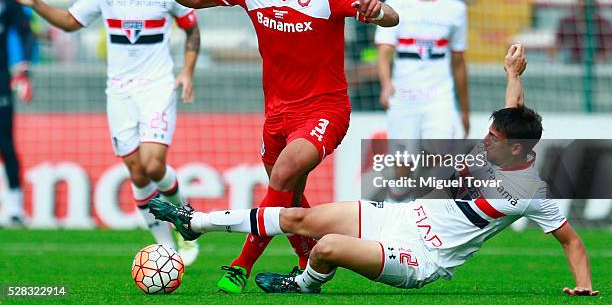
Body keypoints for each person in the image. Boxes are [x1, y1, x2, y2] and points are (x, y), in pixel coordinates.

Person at [149, 43, 599, 297]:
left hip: (422, 258)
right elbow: (511, 109)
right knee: (297, 217)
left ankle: (303, 284)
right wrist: (512, 72)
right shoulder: (506, 138)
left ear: (517, 150)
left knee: (324, 247)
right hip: (399, 218)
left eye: (493, 140)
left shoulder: (530, 192)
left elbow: (571, 240)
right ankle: (195, 222)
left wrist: (584, 286)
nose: (484, 141)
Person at [138, 0, 399, 293]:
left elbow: (391, 16)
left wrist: (379, 11)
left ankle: (239, 265)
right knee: (289, 197)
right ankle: (308, 264)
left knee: (282, 177)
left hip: (325, 111)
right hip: (276, 115)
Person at [8, 0, 201, 264]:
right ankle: (167, 247)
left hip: (157, 85)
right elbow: (69, 22)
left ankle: (186, 219)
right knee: (137, 170)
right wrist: (35, 3)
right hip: (119, 91)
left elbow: (191, 27)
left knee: (154, 164)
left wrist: (187, 71)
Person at [375, 0, 469, 200]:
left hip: (439, 97)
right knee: (401, 171)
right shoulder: (395, 4)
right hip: (403, 97)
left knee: (443, 160)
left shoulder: (456, 9)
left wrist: (465, 108)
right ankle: (396, 209)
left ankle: (428, 223)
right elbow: (384, 53)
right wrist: (386, 84)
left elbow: (459, 62)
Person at [0, 0, 34, 227]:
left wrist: (22, 69)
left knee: (6, 144)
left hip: (1, 81)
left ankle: (14, 208)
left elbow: (23, 30)